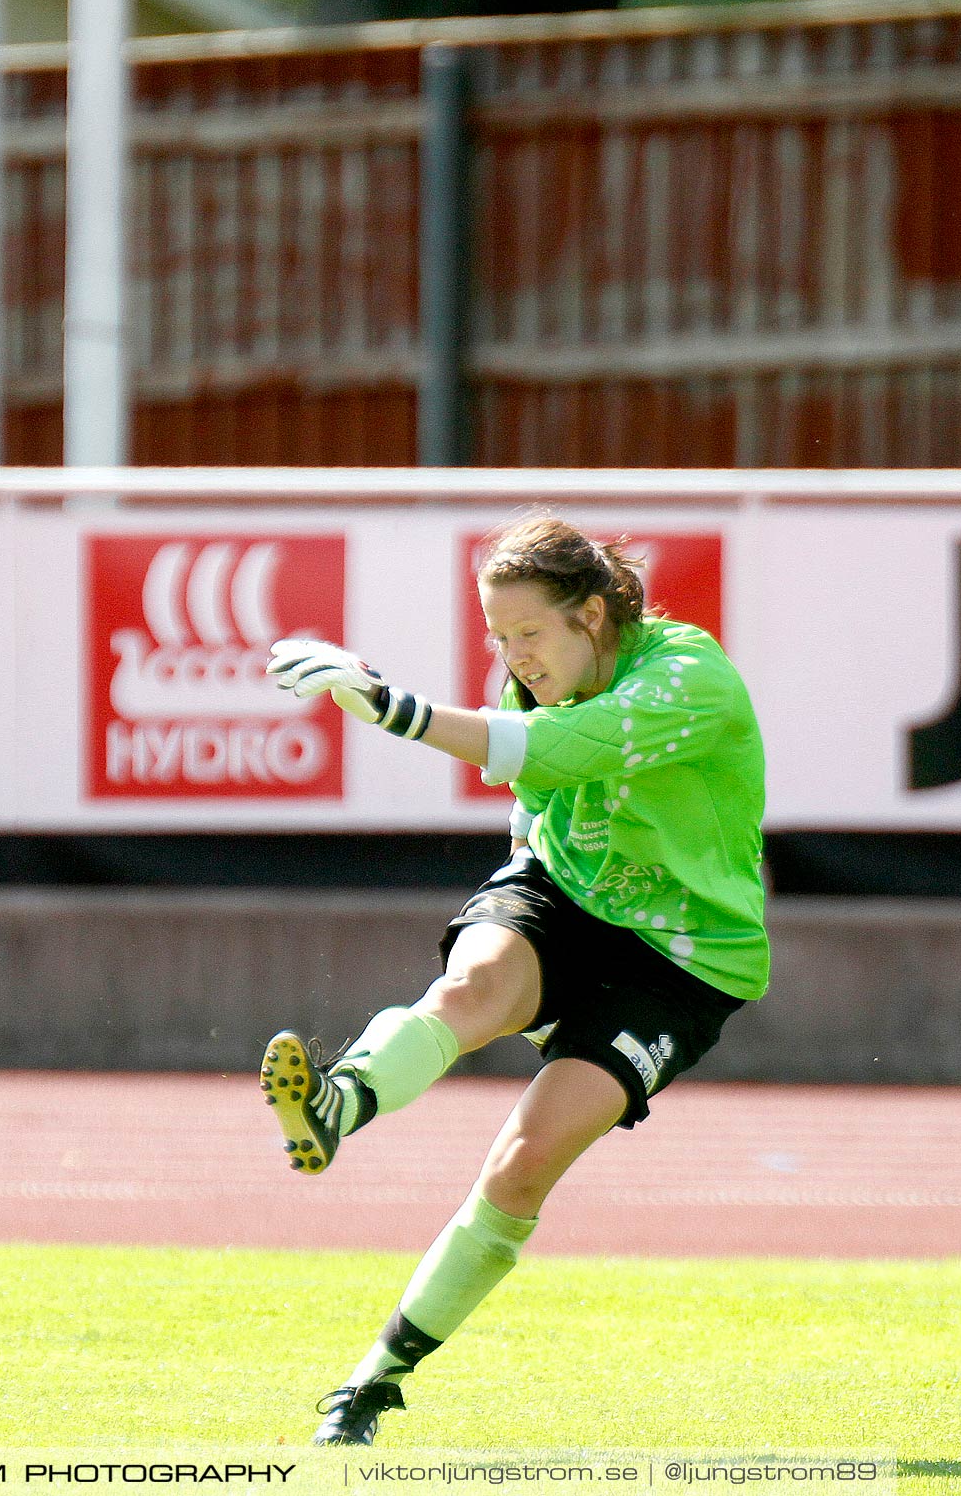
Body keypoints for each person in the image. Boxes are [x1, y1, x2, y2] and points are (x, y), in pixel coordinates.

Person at [260, 512, 769, 1447]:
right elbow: (536, 792)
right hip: (562, 892)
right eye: (497, 637)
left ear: (594, 613)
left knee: (523, 1165)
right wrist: (517, 889)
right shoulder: (542, 672)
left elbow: (556, 753)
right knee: (470, 991)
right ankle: (340, 1102)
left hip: (683, 958)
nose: (514, 657)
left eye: (529, 633)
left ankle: (373, 1381)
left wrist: (385, 704)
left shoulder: (688, 679)